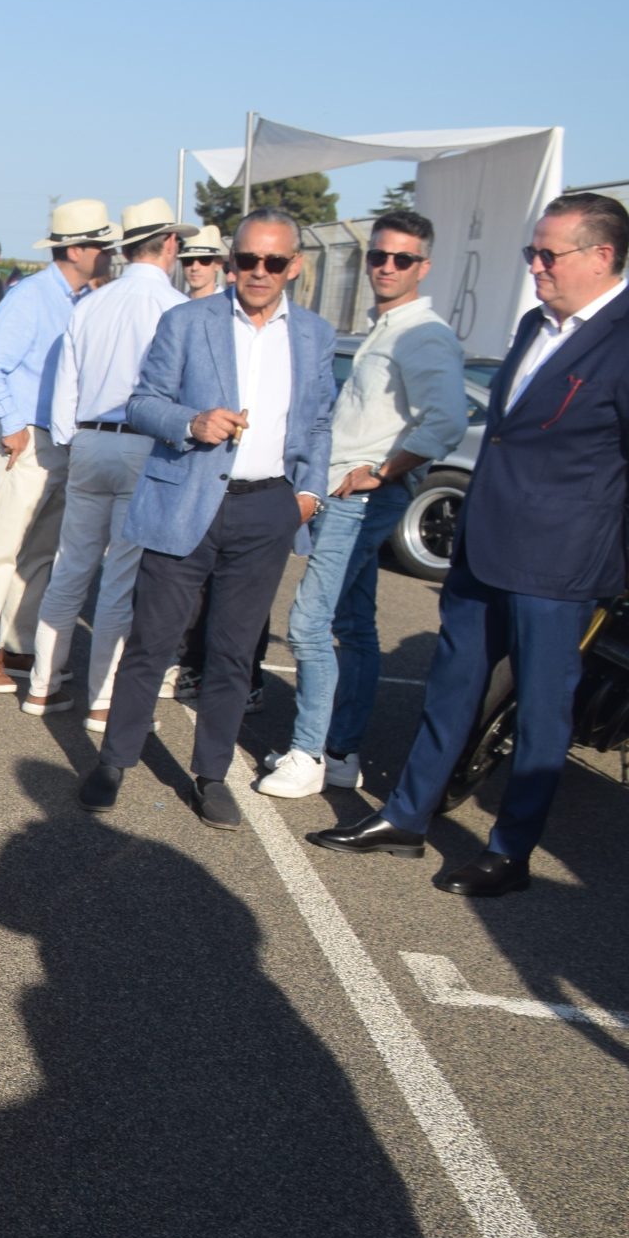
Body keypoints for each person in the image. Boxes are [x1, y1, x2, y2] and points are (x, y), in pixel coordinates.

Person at [311, 192, 629, 893]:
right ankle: (406, 819)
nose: (536, 266)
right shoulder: (533, 325)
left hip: (560, 563)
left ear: (603, 256)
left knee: (543, 710)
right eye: (531, 253)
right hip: (485, 546)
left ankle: (509, 851)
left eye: (549, 254)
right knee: (451, 690)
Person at [82, 208, 336, 829]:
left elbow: (321, 422)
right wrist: (191, 423)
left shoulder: (314, 334)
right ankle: (114, 762)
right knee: (151, 642)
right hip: (185, 501)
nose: (258, 272)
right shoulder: (186, 321)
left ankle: (211, 775)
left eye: (273, 262)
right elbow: (143, 403)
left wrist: (308, 494)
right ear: (230, 263)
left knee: (231, 651)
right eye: (247, 259)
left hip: (266, 508)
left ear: (294, 267)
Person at [255, 211, 470, 799]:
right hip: (349, 497)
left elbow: (447, 420)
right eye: (378, 255)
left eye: (402, 258)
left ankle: (307, 754)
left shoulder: (421, 333)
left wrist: (380, 471)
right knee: (353, 626)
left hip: (361, 499)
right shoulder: (388, 326)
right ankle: (338, 751)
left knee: (309, 624)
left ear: (423, 266)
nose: (387, 267)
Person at [24, 200, 195, 721]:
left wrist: (71, 439)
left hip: (90, 439)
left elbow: (66, 385)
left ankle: (41, 686)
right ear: (168, 243)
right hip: (144, 442)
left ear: (126, 247)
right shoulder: (175, 307)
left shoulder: (92, 303)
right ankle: (102, 703)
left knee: (70, 566)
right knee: (120, 576)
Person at [0, 200, 115, 692]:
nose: (110, 254)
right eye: (103, 245)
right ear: (80, 249)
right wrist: (10, 424)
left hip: (63, 441)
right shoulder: (32, 297)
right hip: (32, 438)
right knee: (3, 547)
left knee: (41, 551)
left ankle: (18, 643)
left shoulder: (81, 299)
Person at [180, 225, 227, 297]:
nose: (194, 268)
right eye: (188, 260)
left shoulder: (230, 305)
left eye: (204, 259)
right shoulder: (174, 304)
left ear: (218, 264)